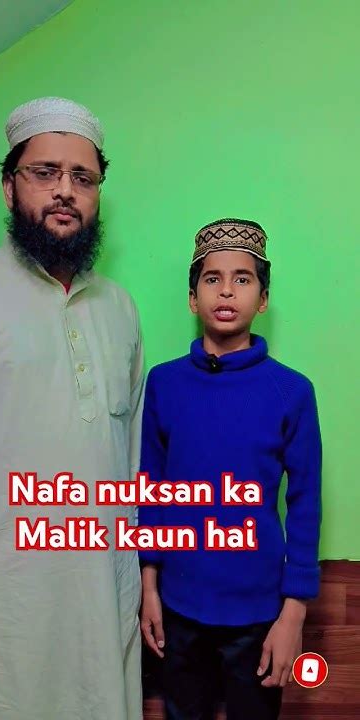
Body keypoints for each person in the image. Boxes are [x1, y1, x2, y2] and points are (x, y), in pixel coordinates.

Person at [0, 97, 144, 720]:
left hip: (105, 615)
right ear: (9, 186)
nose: (65, 190)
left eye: (82, 177)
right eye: (45, 172)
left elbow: (129, 466)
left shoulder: (119, 309)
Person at [139, 218, 322, 720]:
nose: (226, 290)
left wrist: (294, 613)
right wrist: (149, 587)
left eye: (242, 279)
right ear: (192, 297)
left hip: (260, 614)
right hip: (178, 607)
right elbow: (150, 489)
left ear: (263, 299)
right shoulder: (164, 384)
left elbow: (306, 502)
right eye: (212, 278)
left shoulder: (292, 391)